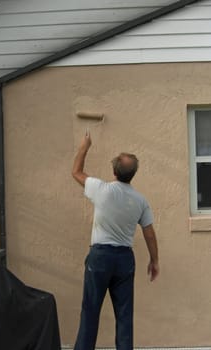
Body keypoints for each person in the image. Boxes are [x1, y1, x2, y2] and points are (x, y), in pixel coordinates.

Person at [71, 130, 159, 350]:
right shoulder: (141, 201)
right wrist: (154, 260)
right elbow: (149, 232)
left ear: (114, 171)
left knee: (90, 311)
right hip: (124, 261)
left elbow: (76, 172)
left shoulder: (102, 190)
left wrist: (85, 146)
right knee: (124, 315)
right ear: (133, 174)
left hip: (100, 257)